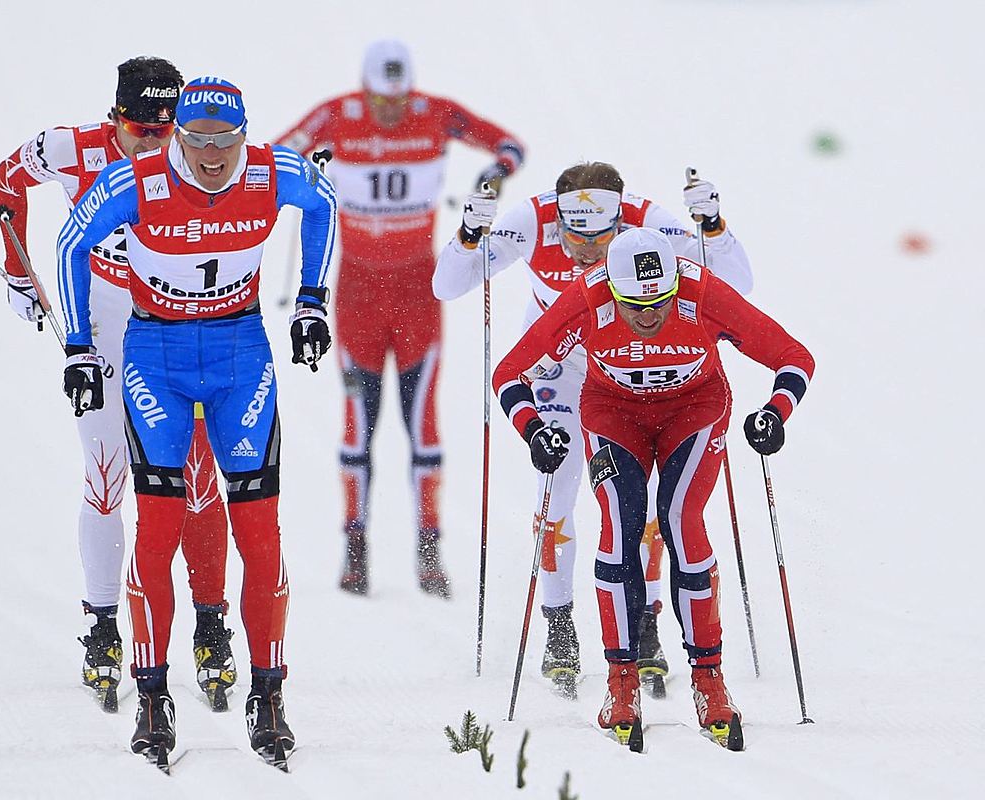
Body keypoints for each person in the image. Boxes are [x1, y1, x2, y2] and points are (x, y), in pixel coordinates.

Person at [56, 75, 337, 770]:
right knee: (157, 525)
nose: (213, 155)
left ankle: (268, 695)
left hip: (241, 350)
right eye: (198, 139)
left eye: (226, 140)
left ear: (245, 135)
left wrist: (310, 301)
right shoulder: (137, 180)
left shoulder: (273, 170)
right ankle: (152, 697)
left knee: (258, 528)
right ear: (177, 133)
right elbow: (70, 244)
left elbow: (326, 203)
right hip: (157, 352)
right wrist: (79, 347)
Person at [434, 162, 752, 695]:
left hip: (628, 367)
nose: (583, 249)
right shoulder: (532, 221)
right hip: (558, 365)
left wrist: (713, 226)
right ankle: (559, 628)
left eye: (599, 236)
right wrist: (469, 235)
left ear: (620, 223)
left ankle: (646, 623)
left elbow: (737, 286)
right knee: (555, 494)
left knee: (647, 507)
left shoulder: (648, 225)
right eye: (571, 234)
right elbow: (447, 286)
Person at [491, 226, 813, 750]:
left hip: (695, 409)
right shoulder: (588, 299)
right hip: (612, 413)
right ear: (612, 288)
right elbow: (509, 372)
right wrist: (532, 430)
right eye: (635, 305)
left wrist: (776, 414)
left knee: (681, 521)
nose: (649, 315)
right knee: (620, 524)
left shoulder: (701, 293)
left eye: (660, 301)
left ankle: (709, 680)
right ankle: (621, 683)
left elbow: (794, 357)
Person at [0, 57, 234, 712]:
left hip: (172, 329)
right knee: (106, 475)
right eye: (141, 131)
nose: (156, 145)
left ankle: (211, 625)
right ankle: (102, 630)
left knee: (197, 477)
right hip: (101, 325)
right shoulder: (74, 149)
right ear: (116, 119)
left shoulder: (199, 155)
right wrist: (20, 273)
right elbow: (8, 176)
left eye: (167, 131)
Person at [277, 40, 524, 597]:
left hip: (419, 289)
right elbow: (270, 157)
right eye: (380, 101)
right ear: (364, 89)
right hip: (358, 291)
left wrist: (494, 176)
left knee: (422, 422)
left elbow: (509, 144)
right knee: (357, 422)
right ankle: (355, 547)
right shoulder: (336, 115)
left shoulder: (432, 112)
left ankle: (429, 548)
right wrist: (305, 174)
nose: (390, 112)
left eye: (399, 100)